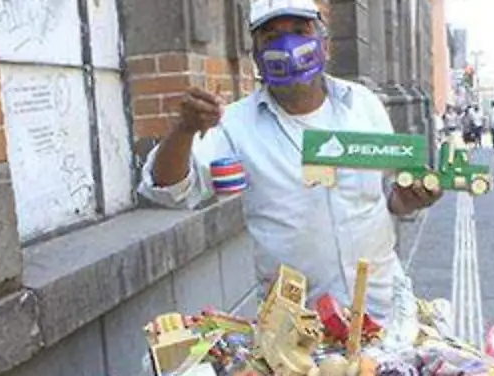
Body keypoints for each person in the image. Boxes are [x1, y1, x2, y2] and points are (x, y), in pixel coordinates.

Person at [138, 0, 442, 320]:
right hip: (297, 328)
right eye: (271, 38)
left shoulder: (363, 105)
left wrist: (409, 199)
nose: (288, 46)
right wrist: (184, 129)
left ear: (325, 46)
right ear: (257, 57)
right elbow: (168, 189)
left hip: (382, 310)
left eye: (300, 31)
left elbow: (387, 198)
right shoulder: (234, 125)